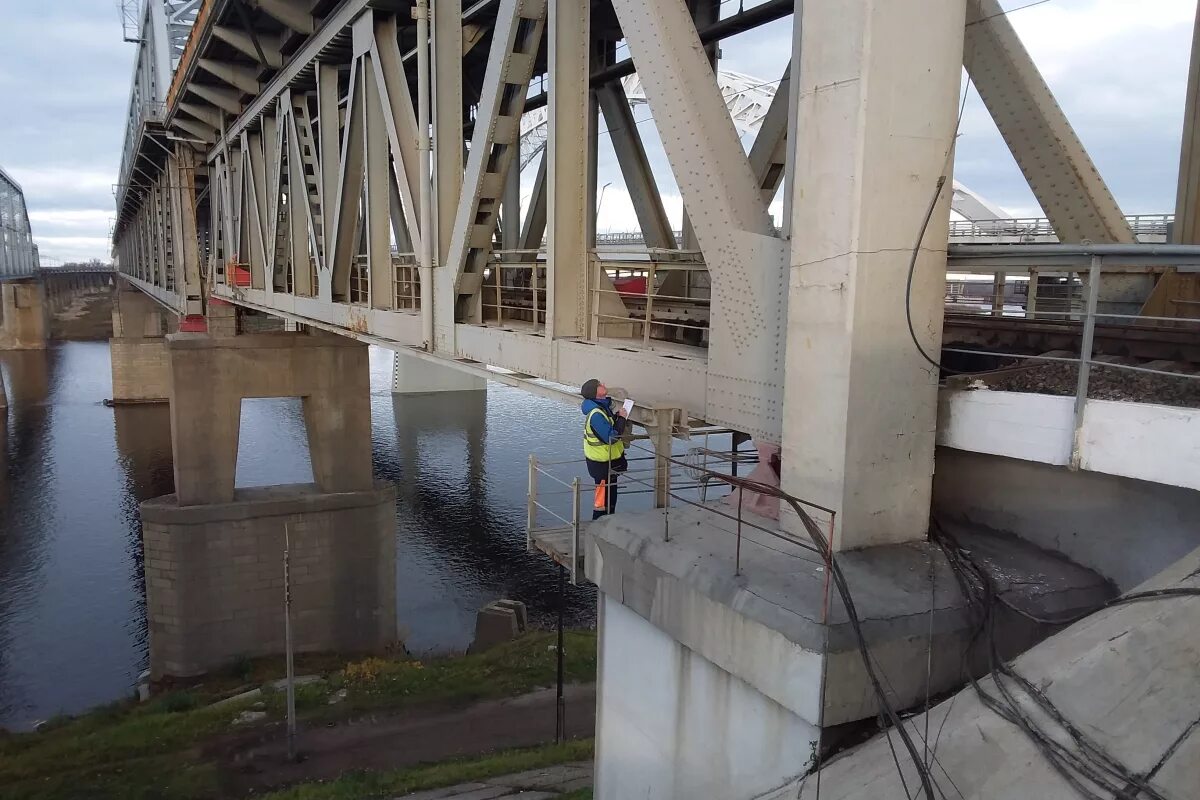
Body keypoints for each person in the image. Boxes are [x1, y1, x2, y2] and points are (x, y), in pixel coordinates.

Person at [580, 378, 628, 520]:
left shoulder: (601, 409)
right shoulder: (596, 414)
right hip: (602, 465)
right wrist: (622, 419)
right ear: (595, 392)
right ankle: (598, 527)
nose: (604, 385)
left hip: (606, 463)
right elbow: (611, 438)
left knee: (609, 498)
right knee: (602, 503)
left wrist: (617, 417)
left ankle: (605, 524)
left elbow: (608, 428)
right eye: (600, 385)